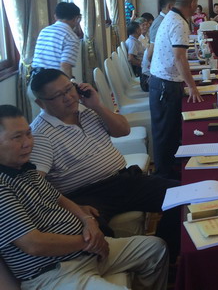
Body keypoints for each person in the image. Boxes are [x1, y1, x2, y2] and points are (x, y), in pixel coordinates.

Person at [0, 105, 169, 289]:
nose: (27, 143)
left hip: (85, 252)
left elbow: (60, 199)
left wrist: (88, 220)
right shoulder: (2, 186)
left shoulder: (26, 170)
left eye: (28, 134)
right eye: (17, 137)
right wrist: (88, 242)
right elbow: (33, 244)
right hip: (55, 272)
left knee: (156, 249)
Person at [29, 69, 181, 262]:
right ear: (40, 103)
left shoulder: (86, 109)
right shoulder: (40, 135)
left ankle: (167, 257)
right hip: (86, 195)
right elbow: (35, 185)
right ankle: (131, 263)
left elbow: (123, 130)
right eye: (57, 96)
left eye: (69, 89)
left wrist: (97, 105)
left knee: (182, 196)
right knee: (95, 235)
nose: (68, 97)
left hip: (123, 180)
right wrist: (76, 208)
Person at [149, 0, 203, 179]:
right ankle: (164, 179)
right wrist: (192, 86)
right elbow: (179, 57)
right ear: (193, 4)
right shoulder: (179, 22)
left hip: (162, 81)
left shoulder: (171, 17)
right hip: (165, 84)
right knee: (165, 135)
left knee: (168, 133)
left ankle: (169, 173)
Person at [32, 2, 83, 79]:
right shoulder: (71, 37)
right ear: (76, 19)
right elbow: (65, 66)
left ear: (55, 16)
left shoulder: (44, 31)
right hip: (53, 81)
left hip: (35, 78)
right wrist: (69, 84)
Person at [141, 0, 176, 93]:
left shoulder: (164, 19)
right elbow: (150, 54)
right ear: (170, 7)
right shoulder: (160, 22)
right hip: (151, 79)